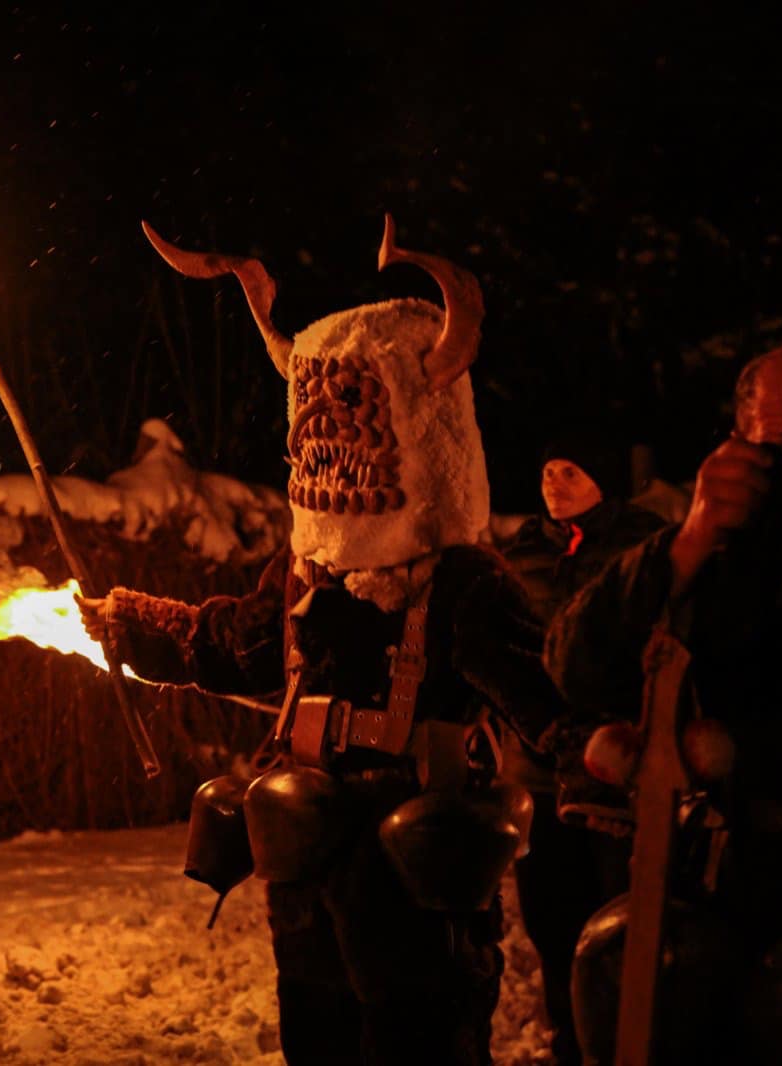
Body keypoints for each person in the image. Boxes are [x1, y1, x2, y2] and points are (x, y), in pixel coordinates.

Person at [80, 219, 568, 1065]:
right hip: (309, 853)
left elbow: (543, 695)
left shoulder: (463, 583)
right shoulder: (305, 574)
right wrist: (131, 625)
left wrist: (594, 740)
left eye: (351, 410)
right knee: (318, 1030)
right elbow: (229, 645)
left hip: (416, 859)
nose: (329, 437)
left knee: (421, 1037)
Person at [545, 338, 782, 1062]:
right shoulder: (711, 575)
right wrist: (687, 542)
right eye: (781, 444)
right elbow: (576, 666)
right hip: (749, 900)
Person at [496, 431, 664, 1066]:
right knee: (552, 923)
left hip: (616, 772)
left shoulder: (643, 543)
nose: (553, 482)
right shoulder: (521, 552)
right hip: (537, 770)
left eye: (570, 469)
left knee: (620, 926)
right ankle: (572, 1045)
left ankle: (626, 1048)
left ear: (605, 476)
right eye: (546, 469)